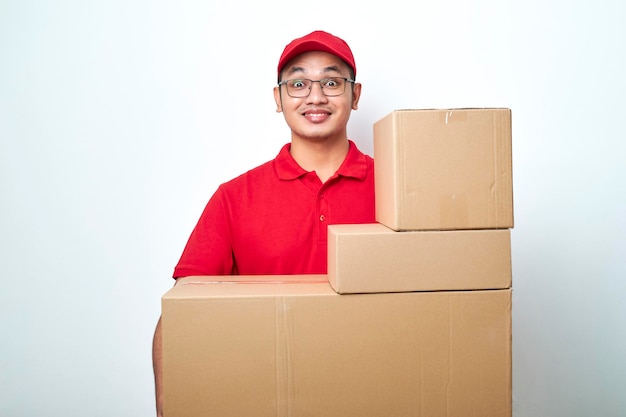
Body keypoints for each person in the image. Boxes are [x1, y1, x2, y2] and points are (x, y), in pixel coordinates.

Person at [152, 30, 375, 416]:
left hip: (374, 393)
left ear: (355, 96)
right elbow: (181, 316)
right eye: (299, 83)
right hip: (265, 398)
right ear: (279, 99)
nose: (316, 97)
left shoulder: (398, 188)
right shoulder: (234, 197)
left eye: (333, 82)